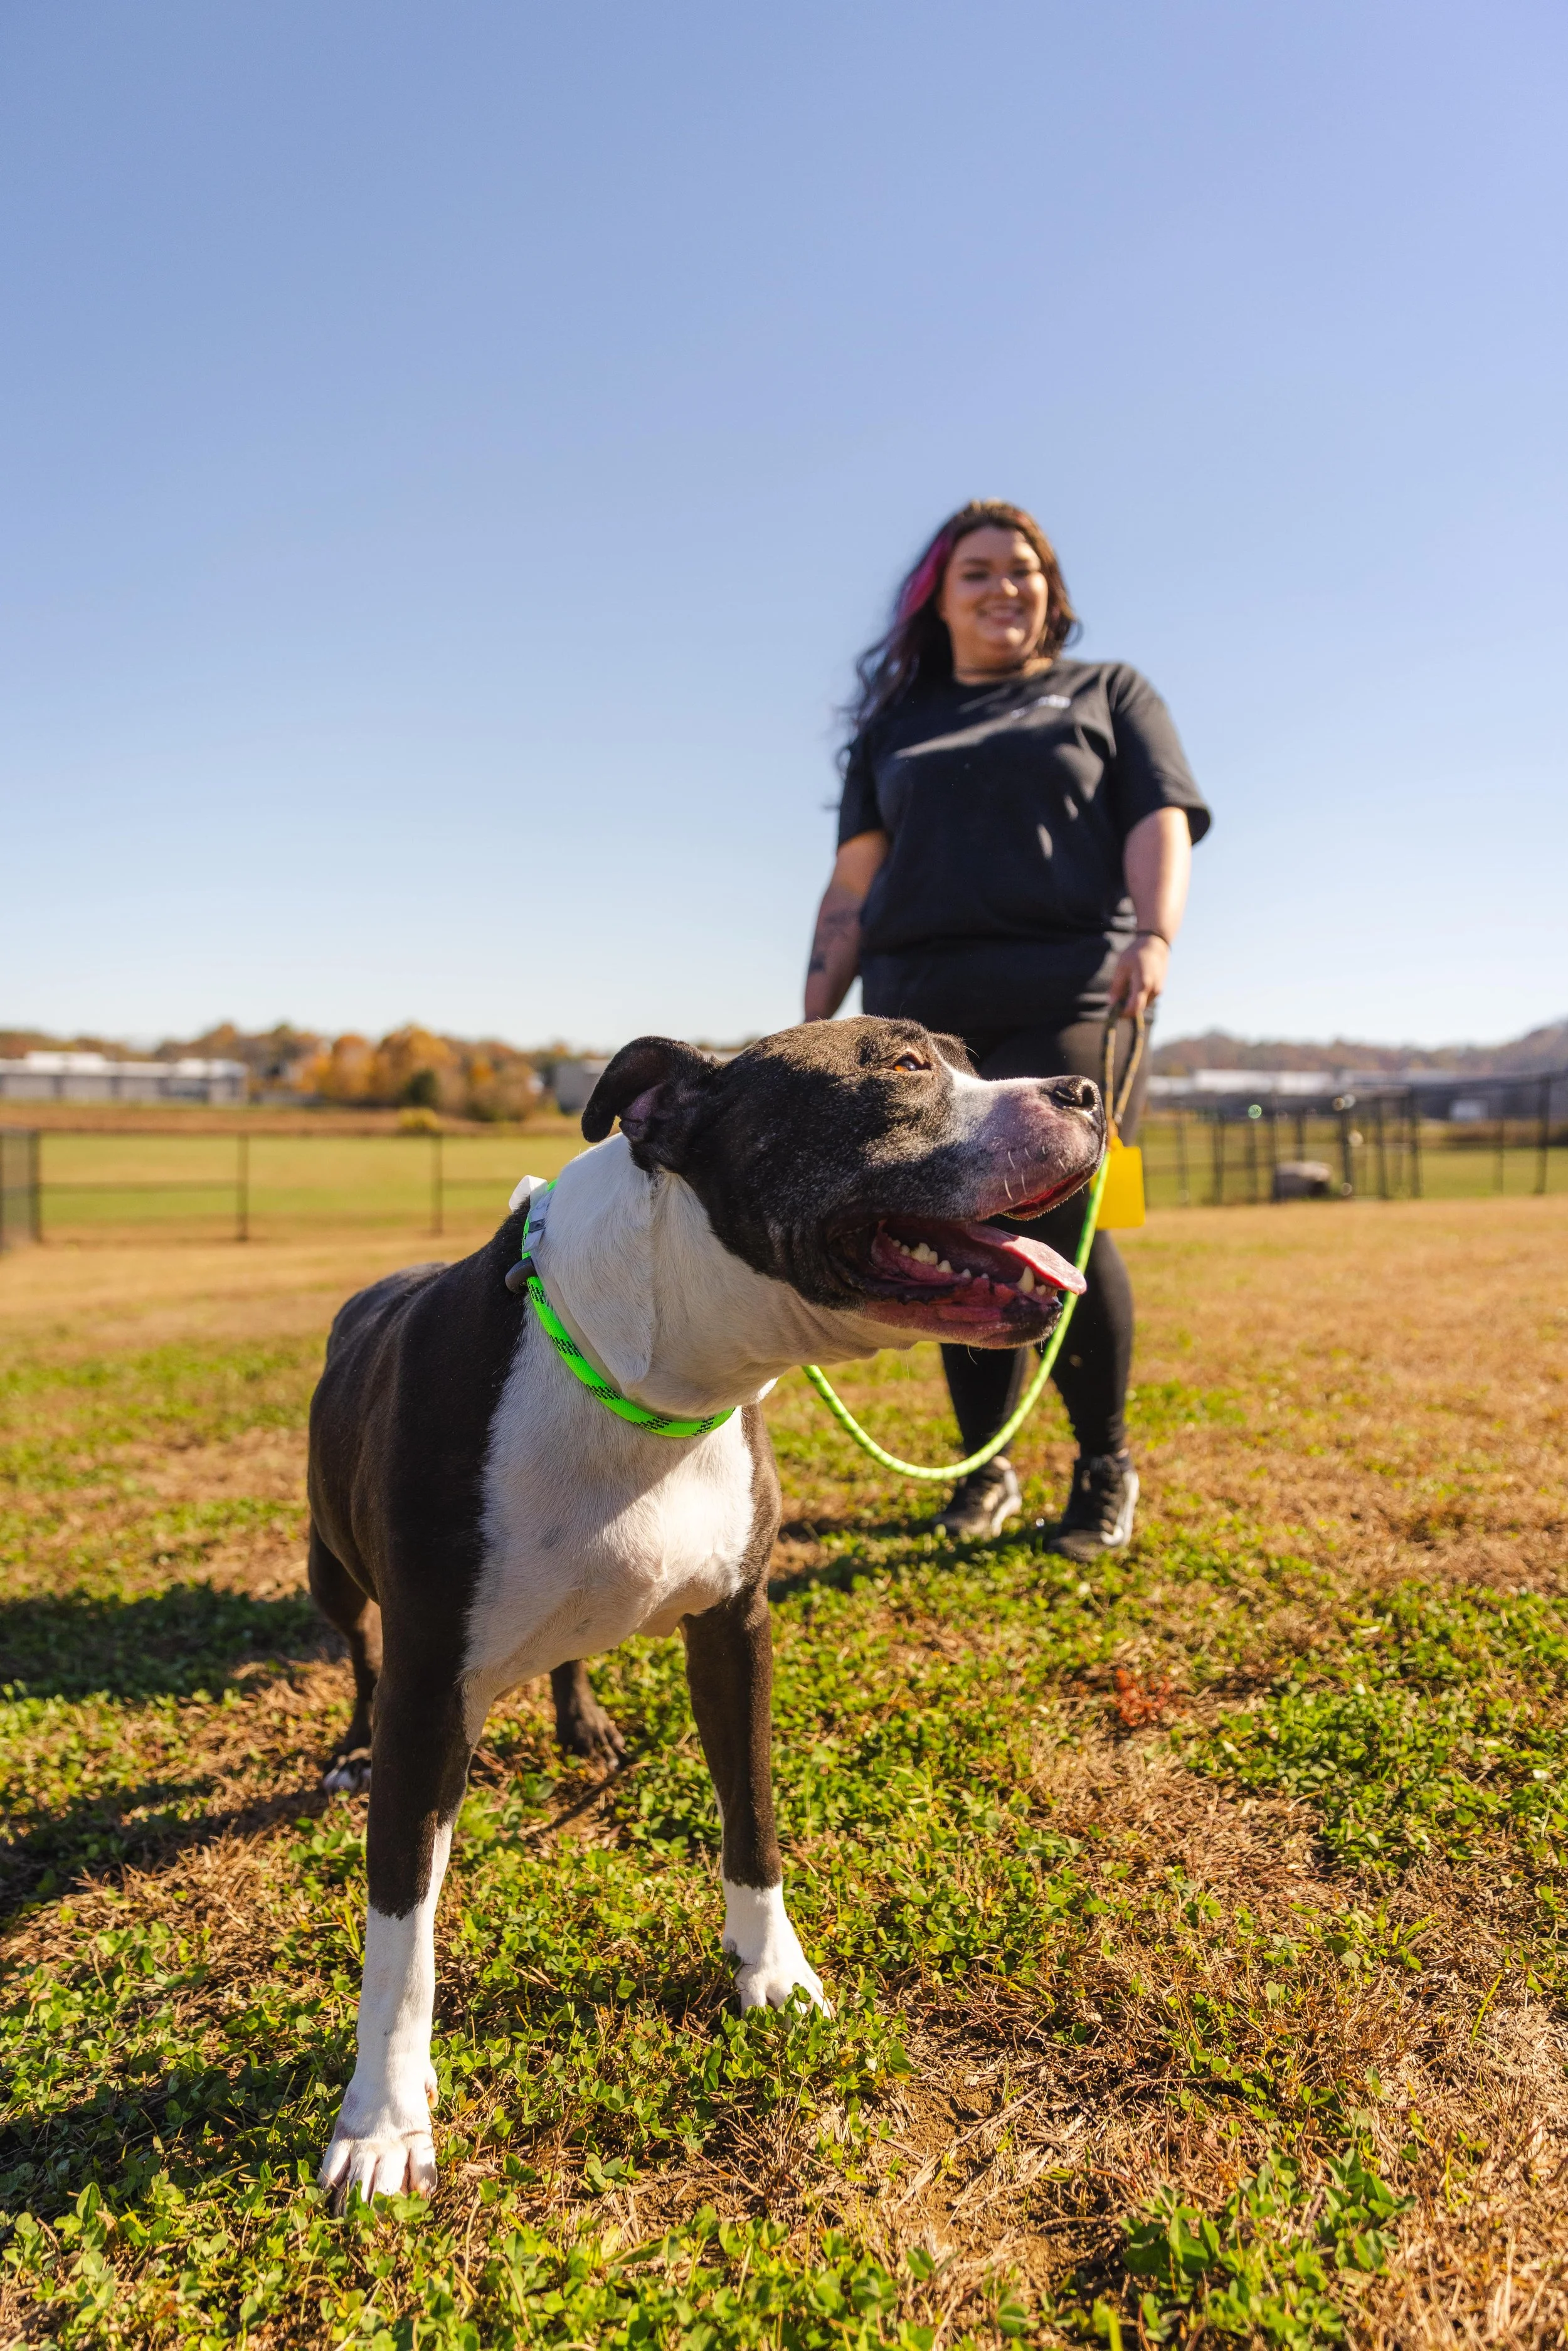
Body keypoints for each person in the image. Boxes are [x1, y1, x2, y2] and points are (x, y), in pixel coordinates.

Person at [803, 499, 1210, 1558]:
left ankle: (1104, 1465)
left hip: (1075, 993)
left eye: (1023, 570)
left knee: (1074, 1223)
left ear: (1051, 589)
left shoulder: (1109, 692)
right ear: (937, 599)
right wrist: (810, 1019)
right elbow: (854, 882)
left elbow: (1158, 819)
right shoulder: (893, 731)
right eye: (978, 572)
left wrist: (1155, 938)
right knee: (953, 1229)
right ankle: (987, 1472)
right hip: (921, 1010)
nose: (1005, 588)